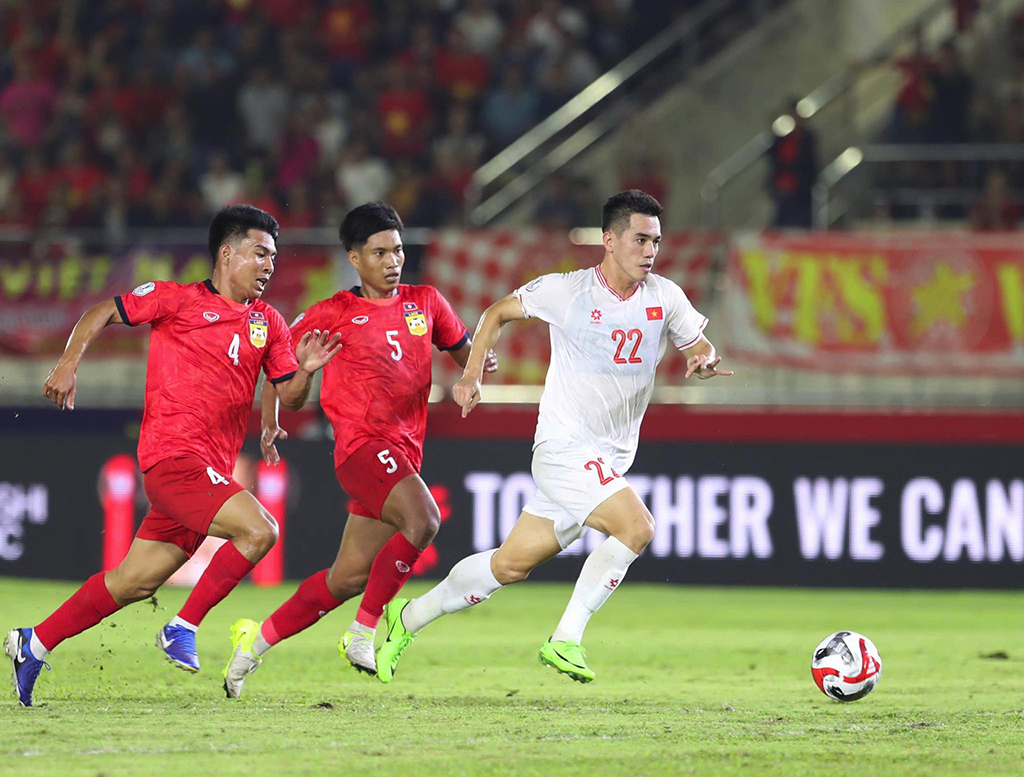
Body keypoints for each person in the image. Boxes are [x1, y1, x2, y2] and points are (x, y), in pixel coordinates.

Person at [374, 190, 732, 684]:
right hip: (563, 449)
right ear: (609, 240)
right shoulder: (570, 291)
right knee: (638, 527)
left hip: (609, 459)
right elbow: (498, 312)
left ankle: (406, 618)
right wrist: (472, 373)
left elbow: (699, 341)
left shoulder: (665, 296)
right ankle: (566, 638)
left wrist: (704, 358)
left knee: (509, 565)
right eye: (640, 239)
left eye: (657, 241)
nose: (650, 250)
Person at [5, 205, 342, 707]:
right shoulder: (174, 299)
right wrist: (67, 364)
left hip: (208, 471)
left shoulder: (268, 323)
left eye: (273, 257)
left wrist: (307, 370)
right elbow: (99, 311)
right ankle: (182, 626)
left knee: (133, 582)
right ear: (227, 254)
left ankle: (33, 642)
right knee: (261, 529)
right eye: (260, 253)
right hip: (172, 460)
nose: (270, 265)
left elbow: (288, 396)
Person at [222, 202, 497, 697]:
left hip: (403, 453)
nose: (393, 261)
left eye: (398, 250)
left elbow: (466, 348)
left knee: (345, 578)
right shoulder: (333, 314)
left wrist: (474, 371)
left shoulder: (427, 303)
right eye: (380, 252)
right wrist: (280, 405)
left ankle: (251, 645)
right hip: (361, 449)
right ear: (354, 257)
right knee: (424, 520)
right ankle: (364, 630)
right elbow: (278, 365)